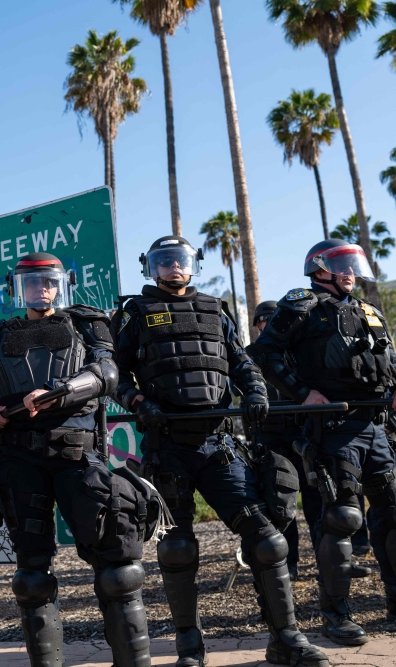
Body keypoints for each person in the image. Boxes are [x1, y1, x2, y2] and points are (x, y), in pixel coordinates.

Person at [113, 238, 328, 667]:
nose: (174, 268)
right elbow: (115, 375)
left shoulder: (216, 309)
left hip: (219, 446)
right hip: (168, 446)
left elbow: (241, 361)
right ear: (150, 268)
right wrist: (137, 403)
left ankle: (285, 639)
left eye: (181, 261)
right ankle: (189, 649)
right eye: (164, 262)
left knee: (267, 541)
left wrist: (254, 390)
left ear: (193, 265)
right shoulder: (134, 314)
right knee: (177, 548)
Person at [249, 238, 396, 646]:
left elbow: (394, 360)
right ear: (319, 268)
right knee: (342, 518)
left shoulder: (368, 310)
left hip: (376, 426)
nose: (349, 271)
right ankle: (336, 614)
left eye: (353, 264)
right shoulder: (299, 305)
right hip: (333, 428)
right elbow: (265, 353)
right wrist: (301, 393)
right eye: (341, 264)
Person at [0, 253, 151, 667]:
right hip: (19, 461)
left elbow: (107, 374)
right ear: (18, 288)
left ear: (61, 284)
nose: (41, 288)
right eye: (32, 282)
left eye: (48, 281)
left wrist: (59, 391)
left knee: (117, 569)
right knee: (31, 577)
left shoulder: (86, 323)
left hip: (78, 456)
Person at [250, 302, 372, 583]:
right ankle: (288, 564)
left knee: (321, 499)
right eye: (263, 320)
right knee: (281, 505)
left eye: (273, 319)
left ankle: (330, 561)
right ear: (257, 325)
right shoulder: (254, 354)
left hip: (303, 433)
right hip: (270, 439)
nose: (267, 324)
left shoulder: (297, 349)